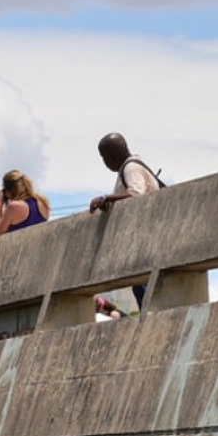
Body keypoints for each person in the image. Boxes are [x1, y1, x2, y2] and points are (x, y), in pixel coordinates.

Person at [88, 132, 162, 309]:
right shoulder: (130, 166)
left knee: (144, 292)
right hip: (144, 238)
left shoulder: (131, 168)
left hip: (144, 241)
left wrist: (106, 198)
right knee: (141, 288)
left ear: (110, 156)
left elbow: (136, 193)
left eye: (104, 157)